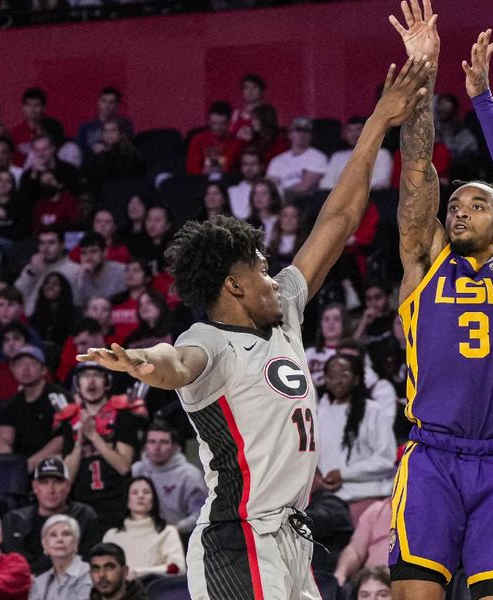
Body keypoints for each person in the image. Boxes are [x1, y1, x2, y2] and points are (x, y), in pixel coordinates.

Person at [77, 57, 432, 599]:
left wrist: (380, 120)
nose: (274, 277)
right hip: (238, 536)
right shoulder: (209, 341)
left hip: (291, 537)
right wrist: (142, 363)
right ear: (234, 285)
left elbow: (337, 220)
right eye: (263, 269)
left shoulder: (284, 311)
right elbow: (176, 363)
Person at [387, 9, 493, 595]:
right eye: (456, 203)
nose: (459, 209)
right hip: (430, 457)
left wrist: (481, 100)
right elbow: (417, 173)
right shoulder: (425, 262)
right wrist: (423, 69)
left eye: (478, 204)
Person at [60, 361, 142, 532]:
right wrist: (80, 442)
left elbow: (123, 466)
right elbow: (67, 477)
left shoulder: (122, 416)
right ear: (77, 384)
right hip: (81, 504)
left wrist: (94, 436)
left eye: (97, 375)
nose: (91, 381)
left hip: (116, 502)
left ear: (107, 383)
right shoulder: (69, 421)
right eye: (85, 376)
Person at [317, 354, 397, 522]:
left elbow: (386, 460)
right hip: (328, 499)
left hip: (366, 498)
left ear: (356, 379)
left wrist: (344, 474)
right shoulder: (320, 413)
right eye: (332, 375)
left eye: (344, 375)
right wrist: (319, 480)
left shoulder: (373, 411)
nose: (337, 381)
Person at [2, 457, 101, 575]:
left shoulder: (84, 516)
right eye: (44, 482)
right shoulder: (14, 520)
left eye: (58, 482)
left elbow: (86, 560)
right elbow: (15, 564)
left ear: (68, 486)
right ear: (35, 487)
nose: (51, 490)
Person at [0, 345, 67, 472]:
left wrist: (31, 463)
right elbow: (4, 439)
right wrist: (8, 461)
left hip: (57, 464)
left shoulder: (58, 397)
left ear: (43, 370)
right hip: (22, 466)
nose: (25, 369)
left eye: (32, 364)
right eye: (19, 364)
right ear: (12, 370)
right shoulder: (11, 405)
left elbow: (64, 436)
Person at [102, 476, 186, 579]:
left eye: (146, 492)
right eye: (134, 492)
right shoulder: (111, 536)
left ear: (154, 499)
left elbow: (177, 568)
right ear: (127, 499)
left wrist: (139, 573)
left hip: (156, 591)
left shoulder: (167, 532)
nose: (140, 496)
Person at [131, 420, 206, 534]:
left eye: (164, 442)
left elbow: (200, 514)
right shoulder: (137, 470)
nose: (157, 447)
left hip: (181, 536)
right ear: (145, 445)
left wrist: (174, 530)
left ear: (175, 446)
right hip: (141, 533)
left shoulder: (190, 474)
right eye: (152, 442)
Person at [14, 227, 81, 316]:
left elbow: (78, 302)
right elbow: (15, 295)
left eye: (51, 243)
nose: (45, 248)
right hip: (30, 319)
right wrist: (32, 272)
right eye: (42, 243)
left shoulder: (75, 270)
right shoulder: (31, 267)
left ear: (62, 245)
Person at [28, 514, 93, 600]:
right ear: (44, 544)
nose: (60, 539)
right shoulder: (40, 582)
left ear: (76, 542)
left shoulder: (89, 573)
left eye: (66, 534)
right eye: (53, 535)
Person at [321, 116, 393, 190]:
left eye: (358, 130)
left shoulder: (381, 154)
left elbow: (381, 181)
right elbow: (326, 183)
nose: (354, 134)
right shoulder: (337, 157)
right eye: (350, 131)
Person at [266, 116, 328, 200]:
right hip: (277, 203)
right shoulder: (277, 160)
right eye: (298, 131)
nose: (302, 135)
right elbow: (268, 186)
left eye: (306, 131)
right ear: (290, 134)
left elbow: (305, 187)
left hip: (303, 202)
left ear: (311, 135)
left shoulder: (318, 157)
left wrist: (279, 192)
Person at [333, 496, 391, 586]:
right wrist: (340, 574)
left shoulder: (420, 516)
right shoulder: (376, 510)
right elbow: (355, 550)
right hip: (374, 582)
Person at [186, 101, 245, 176]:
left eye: (222, 124)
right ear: (208, 122)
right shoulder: (198, 139)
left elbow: (238, 169)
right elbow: (191, 169)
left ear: (229, 123)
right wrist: (204, 171)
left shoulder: (237, 142)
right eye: (214, 123)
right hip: (201, 180)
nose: (217, 127)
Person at [76, 87, 134, 156]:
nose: (107, 106)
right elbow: (79, 150)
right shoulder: (86, 127)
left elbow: (127, 148)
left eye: (111, 102)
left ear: (117, 105)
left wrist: (107, 149)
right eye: (104, 101)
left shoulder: (124, 124)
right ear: (99, 102)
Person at [75, 232, 127, 308]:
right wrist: (80, 280)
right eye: (84, 253)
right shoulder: (80, 274)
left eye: (93, 251)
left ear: (105, 252)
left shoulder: (121, 271)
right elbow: (78, 307)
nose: (88, 257)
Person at [227, 150, 264, 220]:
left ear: (261, 166)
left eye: (253, 164)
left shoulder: (271, 188)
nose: (249, 168)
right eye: (245, 164)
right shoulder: (232, 191)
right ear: (241, 167)